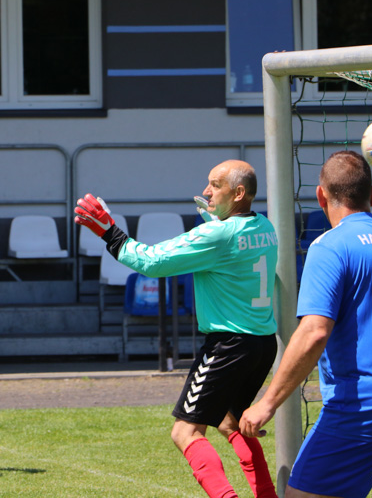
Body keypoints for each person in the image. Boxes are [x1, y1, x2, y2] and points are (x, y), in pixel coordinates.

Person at [240, 150, 372, 498]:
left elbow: (315, 331)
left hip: (364, 405)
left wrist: (267, 402)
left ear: (321, 196)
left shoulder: (330, 247)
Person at [75, 160, 279, 498]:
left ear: (239, 193)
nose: (206, 191)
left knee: (185, 433)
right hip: (262, 345)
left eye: (215, 185)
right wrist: (216, 217)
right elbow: (234, 241)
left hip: (228, 345)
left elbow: (151, 262)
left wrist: (109, 231)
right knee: (233, 422)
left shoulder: (216, 234)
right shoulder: (265, 226)